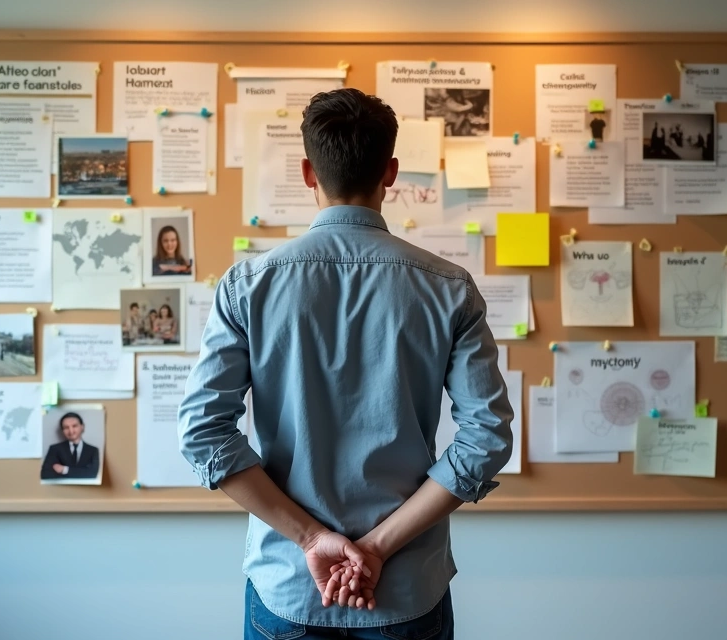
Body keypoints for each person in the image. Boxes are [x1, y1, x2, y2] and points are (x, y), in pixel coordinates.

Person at [178, 88, 513, 640]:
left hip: (289, 585)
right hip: (405, 588)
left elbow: (203, 434)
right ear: (391, 172)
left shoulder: (248, 287)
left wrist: (310, 538)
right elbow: (487, 438)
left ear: (308, 172)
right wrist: (377, 547)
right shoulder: (449, 289)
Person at [40, 412, 100, 480]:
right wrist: (82, 472)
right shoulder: (54, 449)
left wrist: (64, 470)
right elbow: (45, 475)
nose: (71, 431)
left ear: (82, 427)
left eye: (74, 426)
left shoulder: (93, 450)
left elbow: (92, 474)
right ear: (62, 431)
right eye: (66, 427)